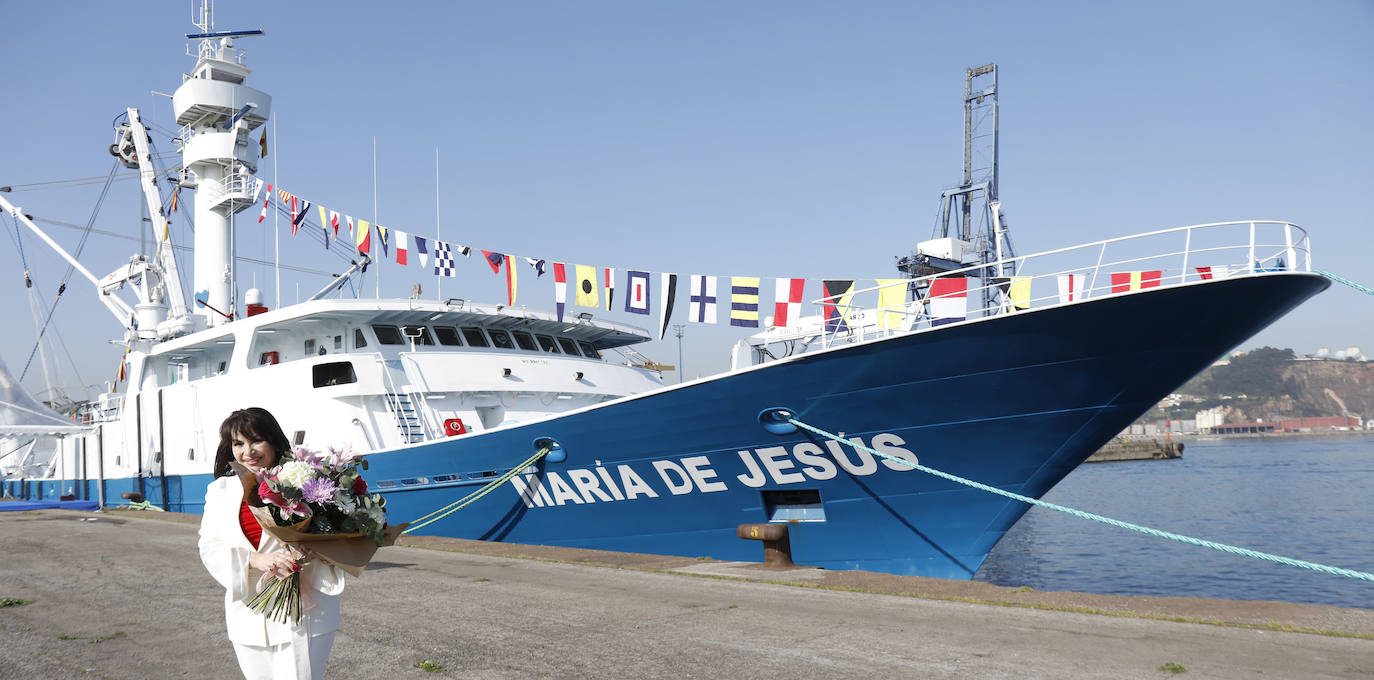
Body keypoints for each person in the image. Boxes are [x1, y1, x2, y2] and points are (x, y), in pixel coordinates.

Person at [198, 407, 345, 680]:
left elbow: (339, 537)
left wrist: (318, 547)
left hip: (305, 610)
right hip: (248, 612)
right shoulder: (219, 491)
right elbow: (209, 547)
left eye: (256, 440)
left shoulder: (307, 482)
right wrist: (253, 560)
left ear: (274, 442)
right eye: (238, 444)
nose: (248, 451)